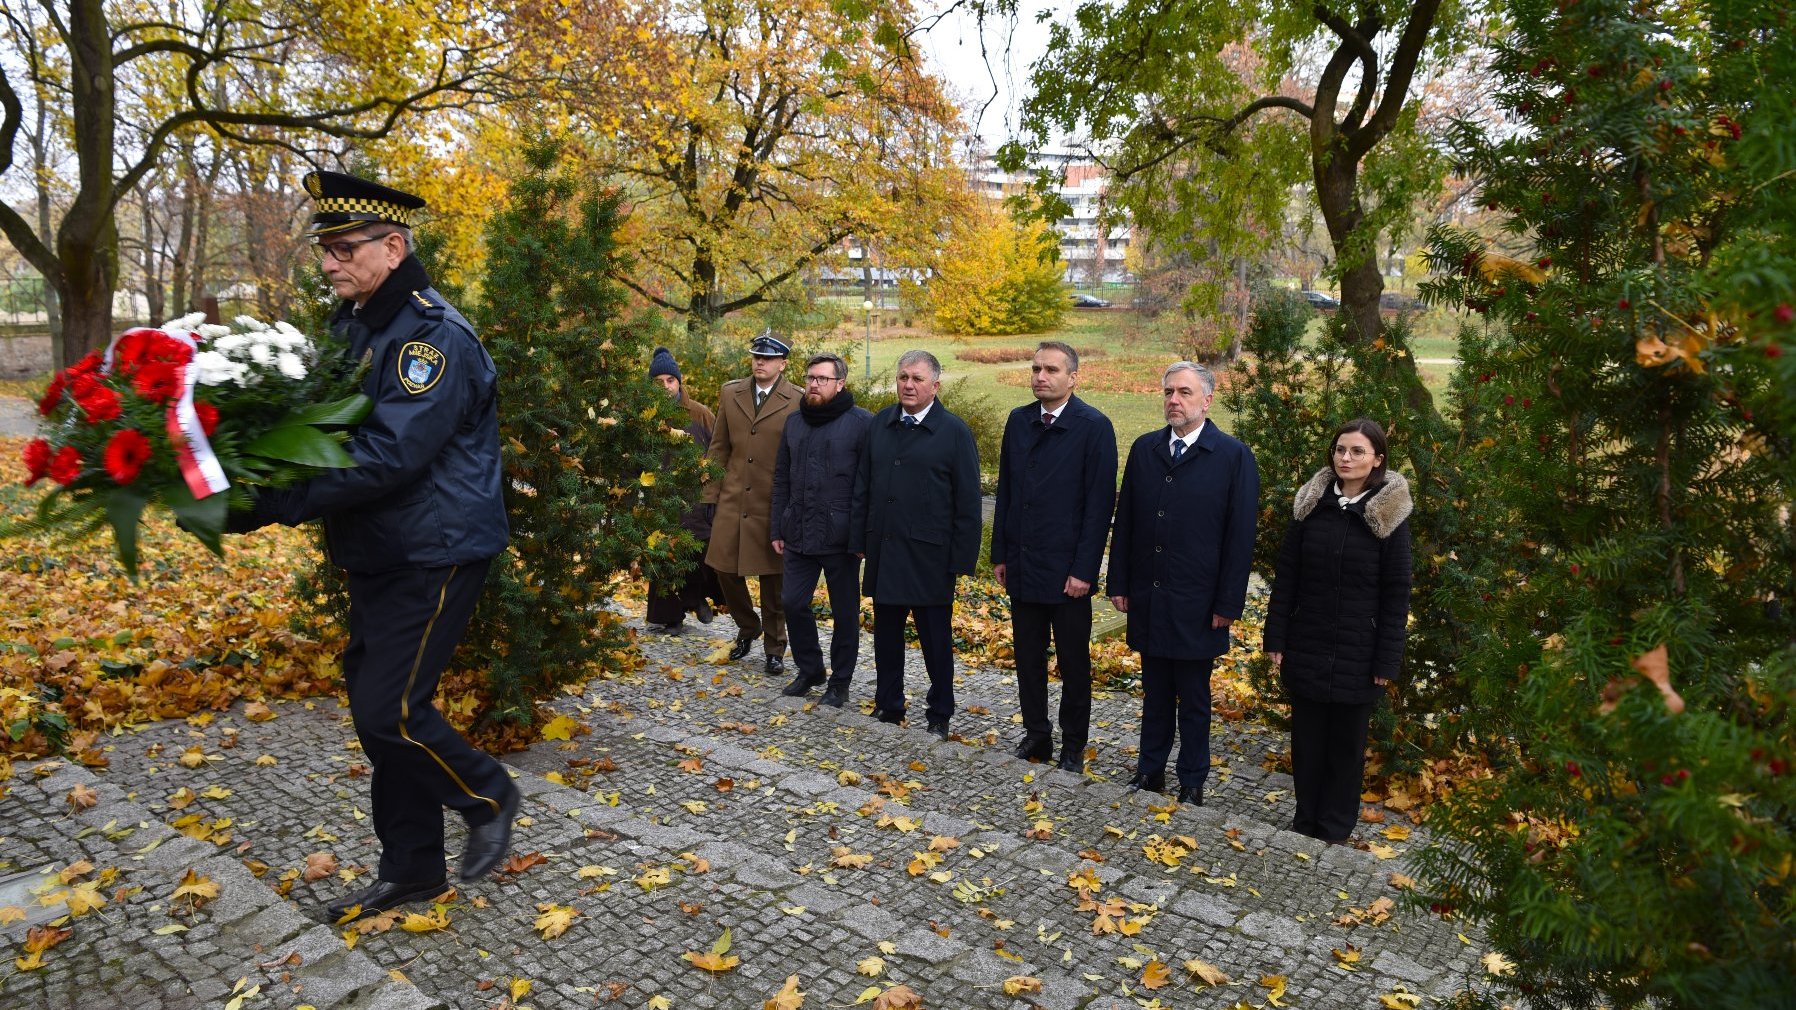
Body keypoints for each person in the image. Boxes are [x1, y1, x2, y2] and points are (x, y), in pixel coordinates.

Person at [233, 171, 516, 921]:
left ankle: (487, 793)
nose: (327, 263)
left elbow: (388, 456)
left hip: (436, 547)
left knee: (388, 711)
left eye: (341, 248)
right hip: (381, 549)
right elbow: (319, 425)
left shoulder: (430, 338)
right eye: (323, 249)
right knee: (380, 714)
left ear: (393, 248)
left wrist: (272, 502)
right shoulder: (353, 324)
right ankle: (415, 868)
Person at [1107, 361, 1258, 806]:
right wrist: (1119, 581)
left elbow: (1240, 535)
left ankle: (1192, 779)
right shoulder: (1145, 448)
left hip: (1199, 601)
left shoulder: (1232, 456)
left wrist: (1229, 602)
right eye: (1169, 391)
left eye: (1185, 393)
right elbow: (1127, 520)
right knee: (1154, 694)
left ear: (1207, 400)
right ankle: (1149, 771)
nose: (1174, 400)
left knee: (1193, 698)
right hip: (1150, 595)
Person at [1262, 418, 1413, 843]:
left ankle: (1334, 829)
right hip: (1307, 642)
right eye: (1340, 450)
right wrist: (1276, 636)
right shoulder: (1311, 507)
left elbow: (1396, 592)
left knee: (1346, 749)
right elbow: (1287, 574)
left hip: (1358, 652)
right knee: (1307, 744)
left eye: (1357, 452)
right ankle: (1305, 821)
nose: (1346, 458)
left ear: (1377, 460)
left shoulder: (1388, 516)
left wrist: (1387, 658)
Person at [991, 341, 1117, 771]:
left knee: (1072, 663)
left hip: (1068, 573)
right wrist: (1001, 554)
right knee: (1028, 658)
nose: (1040, 376)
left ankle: (1073, 744)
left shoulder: (1093, 426)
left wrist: (1084, 569)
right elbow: (1006, 490)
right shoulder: (1019, 420)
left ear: (1073, 378)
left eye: (1050, 370)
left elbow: (1099, 506)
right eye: (1036, 368)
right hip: (1024, 564)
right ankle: (1037, 734)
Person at [850, 350, 981, 741]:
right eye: (903, 376)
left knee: (935, 642)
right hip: (886, 549)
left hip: (930, 557)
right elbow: (863, 486)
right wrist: (860, 538)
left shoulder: (954, 432)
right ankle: (888, 704)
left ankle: (940, 712)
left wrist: (960, 560)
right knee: (886, 636)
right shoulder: (881, 424)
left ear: (935, 386)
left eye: (918, 379)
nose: (908, 385)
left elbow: (968, 502)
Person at [770, 353, 874, 706]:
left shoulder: (862, 424)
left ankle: (840, 683)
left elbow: (868, 484)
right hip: (797, 530)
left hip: (841, 537)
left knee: (845, 613)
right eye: (811, 377)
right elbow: (781, 476)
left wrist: (861, 537)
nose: (814, 384)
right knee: (792, 602)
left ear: (840, 383)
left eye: (822, 379)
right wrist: (776, 527)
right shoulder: (794, 422)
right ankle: (810, 669)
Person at [703, 333, 801, 674]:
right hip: (732, 498)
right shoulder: (732, 393)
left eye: (769, 358)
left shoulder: (797, 400)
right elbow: (718, 448)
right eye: (757, 356)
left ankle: (775, 647)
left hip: (772, 503)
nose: (760, 362)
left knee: (774, 581)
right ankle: (748, 626)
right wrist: (709, 494)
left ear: (783, 363)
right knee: (723, 568)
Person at [644, 345, 720, 634]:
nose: (665, 386)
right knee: (663, 555)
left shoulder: (700, 414)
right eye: (658, 382)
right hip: (660, 498)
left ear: (679, 381)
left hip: (696, 498)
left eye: (670, 380)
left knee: (700, 554)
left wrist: (712, 486)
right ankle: (670, 615)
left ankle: (696, 598)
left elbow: (719, 451)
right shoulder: (646, 417)